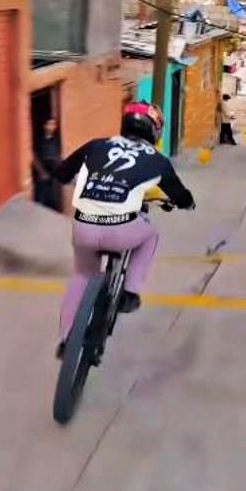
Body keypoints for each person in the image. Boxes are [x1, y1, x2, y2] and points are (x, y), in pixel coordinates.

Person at [51, 102, 195, 356]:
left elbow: (62, 173)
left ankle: (66, 340)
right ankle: (131, 291)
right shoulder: (157, 161)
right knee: (150, 235)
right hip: (122, 231)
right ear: (154, 131)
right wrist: (185, 202)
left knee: (82, 275)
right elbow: (180, 196)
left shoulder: (96, 145)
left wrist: (81, 180)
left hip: (84, 227)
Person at [32, 117, 64, 212]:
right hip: (42, 172)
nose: (52, 127)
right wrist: (41, 171)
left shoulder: (57, 140)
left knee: (54, 199)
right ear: (44, 126)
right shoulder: (39, 140)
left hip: (55, 173)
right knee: (41, 199)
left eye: (54, 124)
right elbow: (34, 156)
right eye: (50, 124)